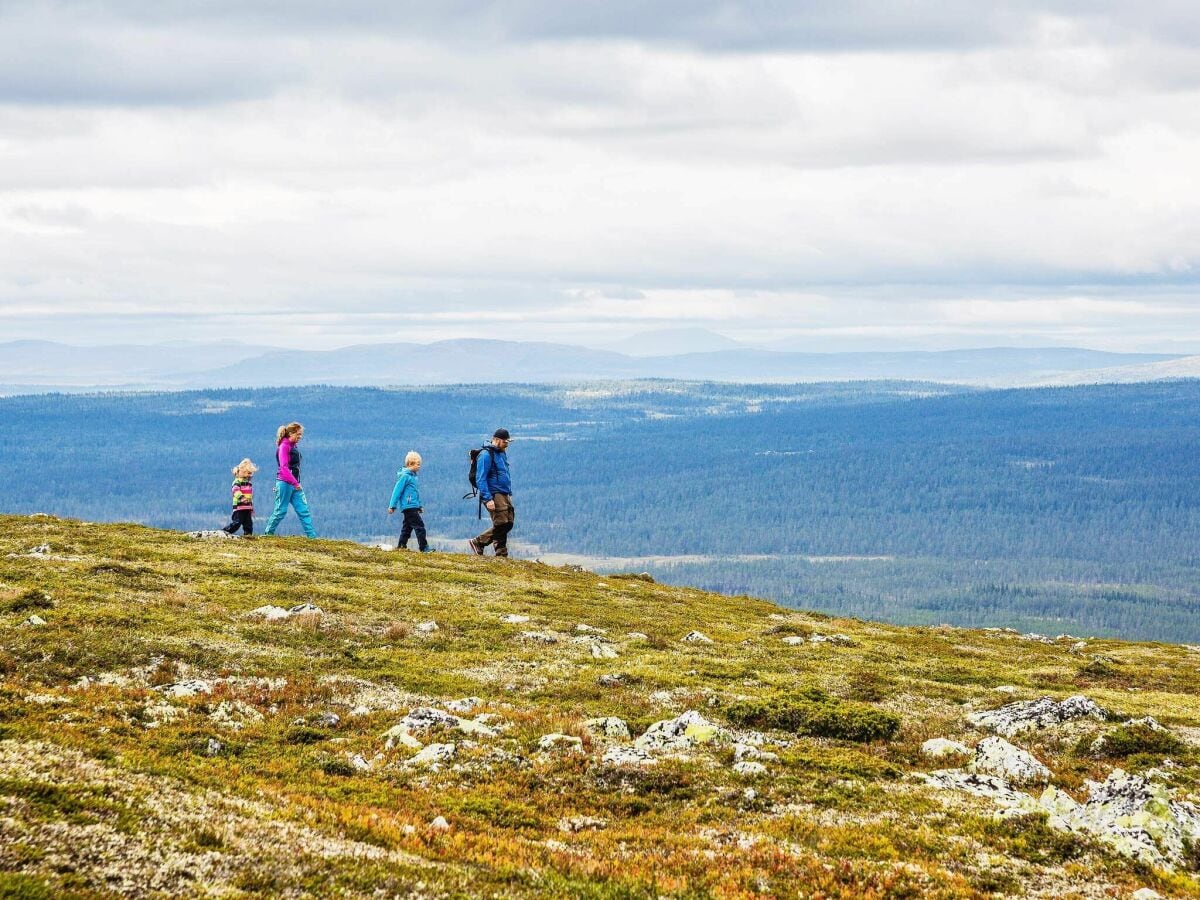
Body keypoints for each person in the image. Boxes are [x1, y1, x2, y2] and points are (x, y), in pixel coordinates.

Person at [263, 422, 317, 538]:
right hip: (285, 484)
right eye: (298, 434)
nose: (300, 437)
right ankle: (268, 534)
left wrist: (296, 483)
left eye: (301, 435)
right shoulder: (284, 446)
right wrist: (295, 483)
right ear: (291, 433)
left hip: (295, 484)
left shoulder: (292, 446)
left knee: (303, 510)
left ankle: (312, 537)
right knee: (280, 511)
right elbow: (283, 468)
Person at [468, 428, 513, 557]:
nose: (507, 444)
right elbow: (480, 478)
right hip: (494, 493)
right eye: (505, 442)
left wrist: (508, 492)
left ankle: (479, 542)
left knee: (508, 522)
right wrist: (488, 499)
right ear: (497, 440)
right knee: (501, 523)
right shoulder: (486, 455)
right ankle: (500, 553)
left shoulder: (501, 453)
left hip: (504, 492)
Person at [388, 451, 432, 552]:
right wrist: (392, 506)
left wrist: (419, 506)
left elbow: (415, 494)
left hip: (412, 506)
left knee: (407, 528)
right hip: (408, 506)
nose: (419, 466)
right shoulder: (405, 476)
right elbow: (397, 491)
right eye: (418, 464)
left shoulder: (413, 477)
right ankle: (424, 547)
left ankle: (401, 545)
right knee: (420, 526)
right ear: (410, 464)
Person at [222, 458, 257, 536]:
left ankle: (248, 536)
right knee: (237, 523)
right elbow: (235, 490)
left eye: (251, 473)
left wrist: (251, 508)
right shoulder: (237, 481)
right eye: (248, 473)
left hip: (247, 508)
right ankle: (224, 532)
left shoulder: (248, 483)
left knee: (248, 524)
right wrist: (242, 498)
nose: (250, 475)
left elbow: (249, 497)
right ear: (243, 472)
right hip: (239, 508)